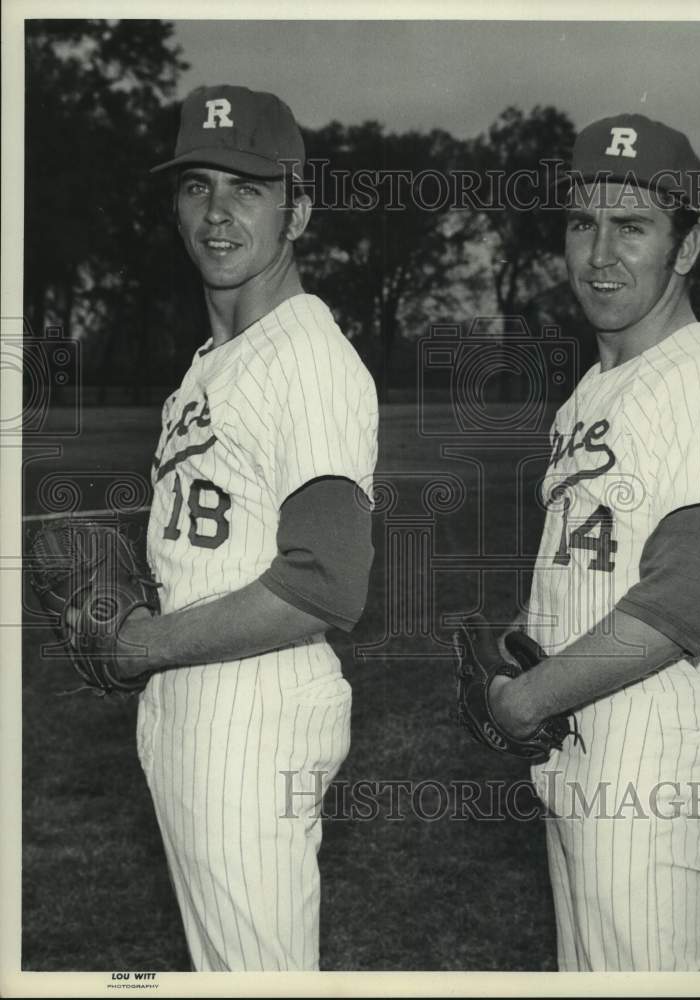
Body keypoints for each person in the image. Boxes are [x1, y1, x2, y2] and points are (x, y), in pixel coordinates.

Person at [489, 113, 700, 971]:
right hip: (587, 720)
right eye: (583, 223)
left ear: (685, 248)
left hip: (650, 732)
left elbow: (681, 598)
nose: (600, 254)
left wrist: (528, 697)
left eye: (633, 227)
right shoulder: (592, 390)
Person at [115, 84, 379, 971]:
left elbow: (325, 581)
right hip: (199, 698)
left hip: (253, 707)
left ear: (297, 210)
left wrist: (144, 643)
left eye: (248, 188)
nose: (217, 213)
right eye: (197, 187)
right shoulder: (207, 367)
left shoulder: (304, 355)